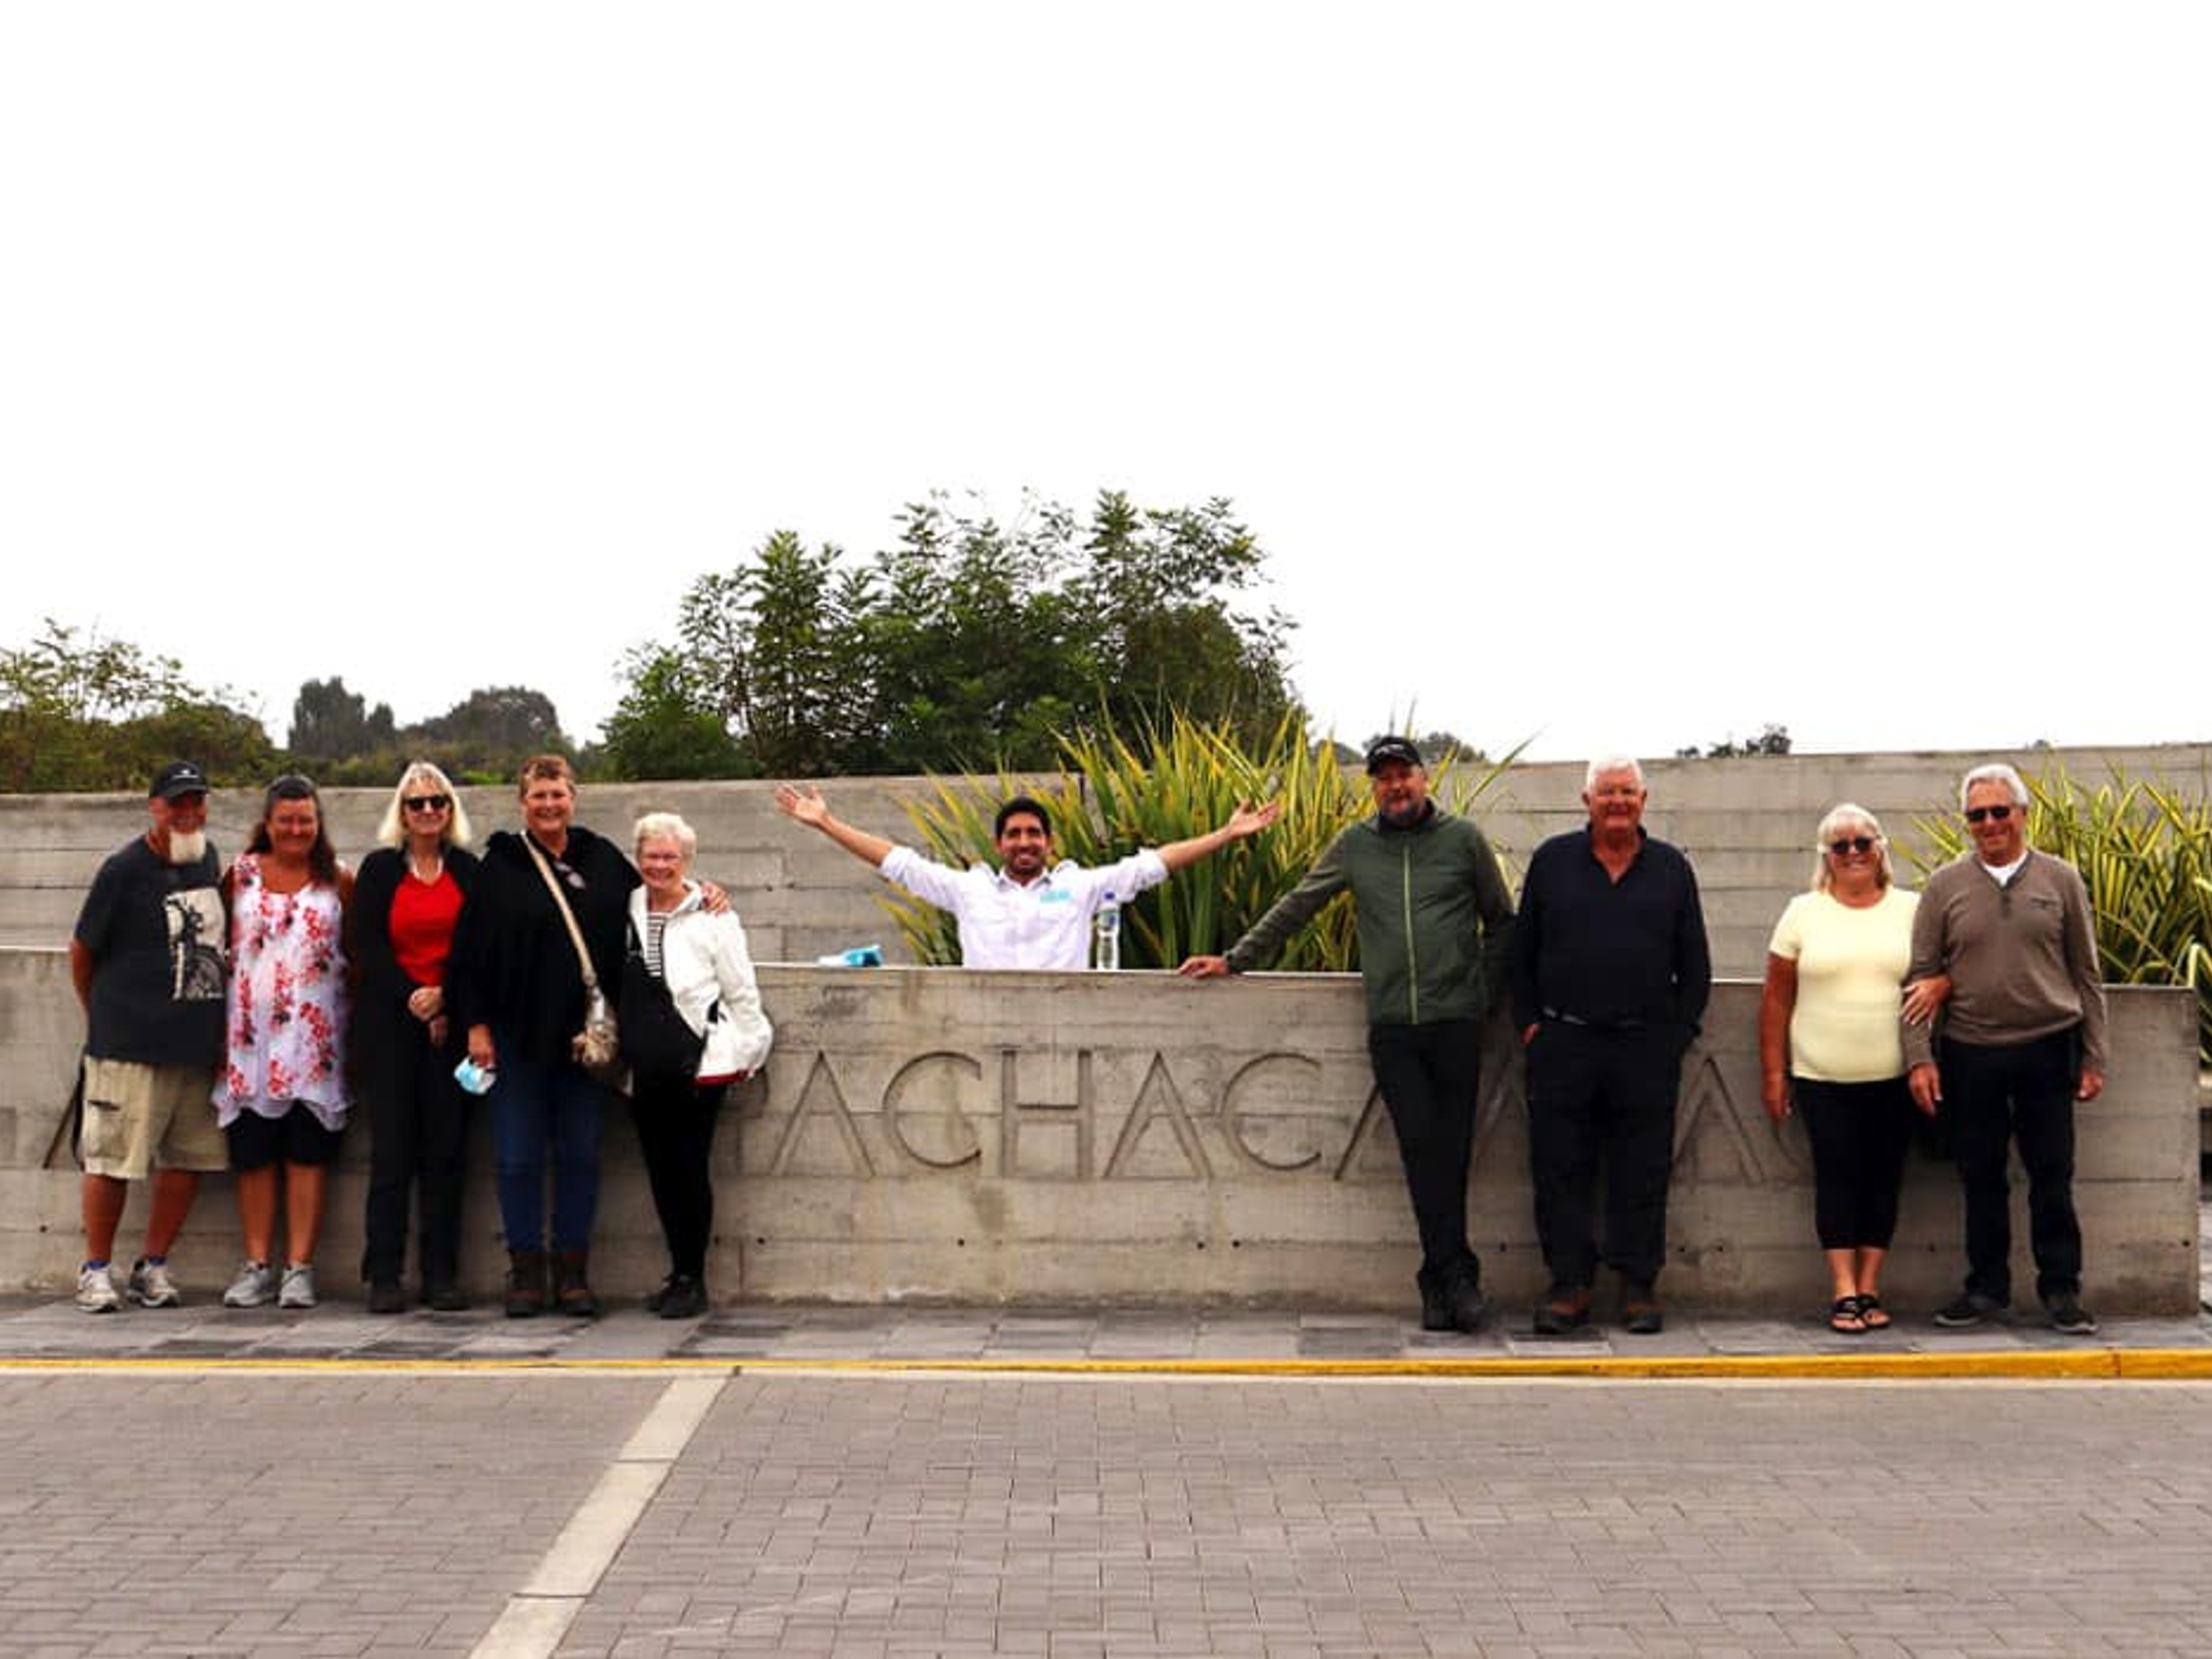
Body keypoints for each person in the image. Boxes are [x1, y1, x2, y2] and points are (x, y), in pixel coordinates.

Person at [1178, 737, 1514, 1334]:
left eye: (1404, 775)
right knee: (1420, 1151)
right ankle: (1454, 1279)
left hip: (1457, 1024)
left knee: (1453, 1152)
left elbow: (1503, 923)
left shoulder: (1463, 840)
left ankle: (1443, 1283)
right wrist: (1236, 959)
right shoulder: (1356, 845)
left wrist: (1482, 997)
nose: (1395, 786)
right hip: (1394, 1028)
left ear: (1424, 779)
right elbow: (1301, 903)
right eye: (1383, 778)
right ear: (1374, 788)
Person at [1510, 756, 1710, 1336]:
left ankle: (1639, 1287)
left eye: (1627, 792)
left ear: (1644, 801)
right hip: (1563, 1043)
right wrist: (1531, 1027)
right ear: (1586, 801)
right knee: (1559, 1169)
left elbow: (1694, 964)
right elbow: (1521, 955)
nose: (1617, 802)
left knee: (1643, 1170)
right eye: (1606, 792)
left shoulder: (1671, 869)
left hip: (1644, 1048)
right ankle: (1569, 1286)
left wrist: (1677, 1035)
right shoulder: (1552, 862)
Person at [1906, 762, 2108, 1336]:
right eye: (1977, 815)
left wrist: (2095, 1055)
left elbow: (2086, 971)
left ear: (2023, 813)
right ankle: (1986, 1287)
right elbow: (1921, 976)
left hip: (2048, 1046)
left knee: (2052, 1174)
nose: (1990, 823)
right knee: (1980, 1175)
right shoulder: (1944, 887)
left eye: (2000, 811)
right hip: (1971, 1051)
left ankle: (2061, 1289)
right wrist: (1919, 1057)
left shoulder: (2061, 880)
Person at [449, 755, 638, 1319]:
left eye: (558, 794)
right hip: (516, 1038)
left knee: (580, 1156)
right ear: (522, 803)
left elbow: (652, 901)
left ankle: (573, 1275)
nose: (549, 805)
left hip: (585, 1044)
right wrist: (476, 1026)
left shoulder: (602, 859)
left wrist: (706, 894)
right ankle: (526, 1273)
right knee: (516, 1159)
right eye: (539, 796)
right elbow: (469, 955)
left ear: (573, 798)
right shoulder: (500, 867)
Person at [1759, 804, 1940, 1334]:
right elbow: (1776, 999)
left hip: (1896, 1074)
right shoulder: (1802, 912)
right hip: (1820, 1075)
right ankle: (1843, 1289)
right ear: (1826, 856)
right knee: (1836, 1177)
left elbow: (1946, 969)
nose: (1854, 853)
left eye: (1863, 842)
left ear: (1881, 848)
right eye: (1841, 846)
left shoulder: (1913, 910)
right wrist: (1774, 1073)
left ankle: (1870, 1285)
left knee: (1884, 1179)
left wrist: (1943, 985)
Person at [774, 783, 1282, 969]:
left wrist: (1226, 834)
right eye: (1014, 834)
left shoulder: (1080, 887)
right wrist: (827, 824)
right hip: (985, 1030)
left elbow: (1153, 865)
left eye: (1034, 834)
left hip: (1064, 1029)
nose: (1024, 842)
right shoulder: (968, 889)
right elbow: (899, 862)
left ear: (1049, 842)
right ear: (999, 844)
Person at [68, 760, 230, 1313]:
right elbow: (82, 952)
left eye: (195, 802)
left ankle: (152, 1265)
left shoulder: (207, 859)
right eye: (175, 803)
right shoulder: (123, 870)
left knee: (187, 1159)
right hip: (129, 1047)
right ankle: (95, 1270)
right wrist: (104, 1019)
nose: (187, 813)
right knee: (112, 1160)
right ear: (154, 808)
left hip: (194, 1045)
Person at [214, 775, 354, 1310]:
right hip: (249, 1045)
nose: (296, 830)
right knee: (253, 1157)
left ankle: (299, 1268)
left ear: (318, 824)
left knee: (307, 1156)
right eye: (286, 821)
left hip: (314, 1046)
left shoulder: (339, 880)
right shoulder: (240, 876)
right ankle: (256, 1265)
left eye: (306, 821)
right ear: (268, 824)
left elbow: (356, 958)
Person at [625, 812, 774, 1319]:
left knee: (689, 1169)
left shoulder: (715, 916)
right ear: (638, 858)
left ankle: (693, 1278)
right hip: (645, 1061)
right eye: (652, 856)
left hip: (700, 1063)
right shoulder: (628, 907)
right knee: (660, 1170)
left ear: (687, 860)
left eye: (670, 857)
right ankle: (677, 1271)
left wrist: (751, 1049)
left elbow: (740, 989)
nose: (660, 866)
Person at [352, 762, 480, 1313]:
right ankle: (384, 1274)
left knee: (446, 1156)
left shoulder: (469, 871)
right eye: (417, 803)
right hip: (391, 1028)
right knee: (392, 1156)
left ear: (450, 810)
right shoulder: (380, 870)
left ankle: (441, 1275)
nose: (428, 811)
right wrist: (414, 996)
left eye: (437, 802)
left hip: (451, 1033)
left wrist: (445, 997)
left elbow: (478, 946)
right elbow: (367, 946)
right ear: (401, 813)